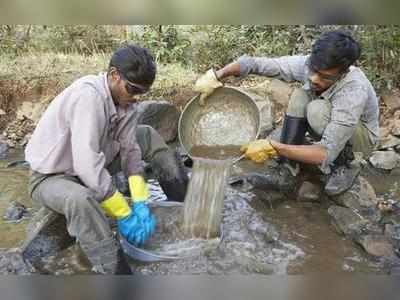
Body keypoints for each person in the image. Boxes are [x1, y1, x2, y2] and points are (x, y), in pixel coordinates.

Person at [25, 45, 188, 274]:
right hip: (52, 177)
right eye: (132, 89)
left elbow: (131, 151)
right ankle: (117, 271)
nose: (135, 97)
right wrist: (123, 211)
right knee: (81, 199)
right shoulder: (88, 96)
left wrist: (140, 200)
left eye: (141, 93)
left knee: (147, 135)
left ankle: (183, 207)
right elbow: (86, 164)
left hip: (92, 163)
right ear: (114, 75)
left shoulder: (127, 103)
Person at [195, 30, 379, 195]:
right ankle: (288, 167)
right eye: (314, 70)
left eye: (325, 77)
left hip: (359, 139)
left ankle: (347, 164)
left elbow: (325, 152)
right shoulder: (308, 66)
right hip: (326, 121)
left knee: (317, 110)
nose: (314, 78)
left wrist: (274, 146)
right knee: (300, 95)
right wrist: (216, 76)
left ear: (343, 73)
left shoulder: (354, 90)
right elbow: (254, 64)